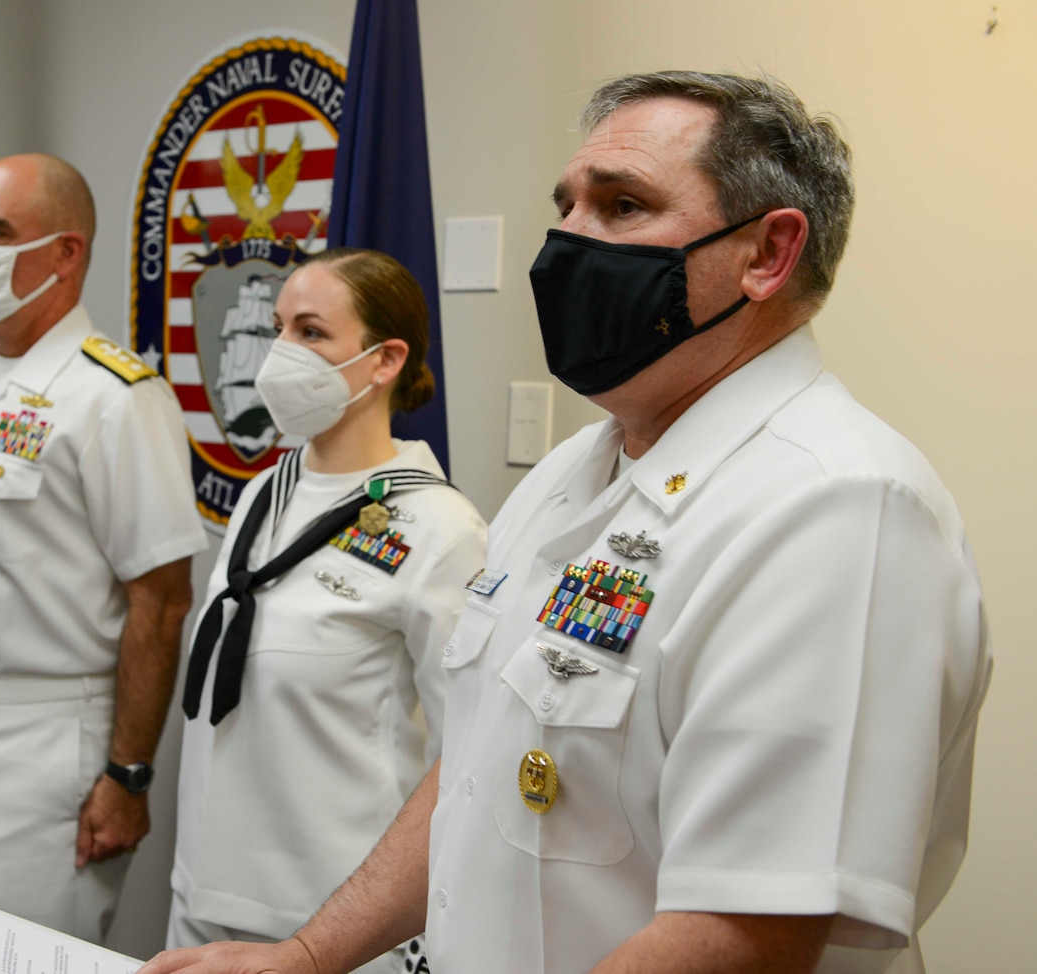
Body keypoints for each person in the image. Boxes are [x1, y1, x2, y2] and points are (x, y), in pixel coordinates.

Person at [139, 71, 991, 974]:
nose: (568, 242)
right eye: (568, 206)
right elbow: (473, 770)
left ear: (768, 255)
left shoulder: (835, 506)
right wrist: (308, 956)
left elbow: (743, 935)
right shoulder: (570, 475)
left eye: (623, 206)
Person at [0, 153, 208, 940]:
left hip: (38, 749)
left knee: (13, 959)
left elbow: (161, 601)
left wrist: (127, 775)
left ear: (66, 254)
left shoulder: (115, 397)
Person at [168, 249, 487, 972]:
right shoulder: (263, 493)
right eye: (279, 328)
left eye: (311, 333)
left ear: (384, 361)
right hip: (203, 895)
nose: (281, 354)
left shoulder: (439, 528)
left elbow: (468, 754)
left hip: (330, 927)